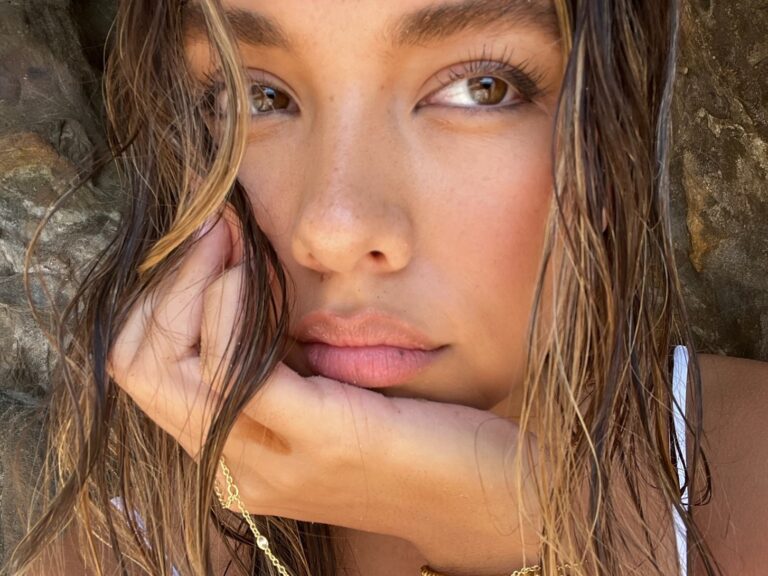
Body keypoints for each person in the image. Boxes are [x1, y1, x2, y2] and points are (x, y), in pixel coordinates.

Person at [4, 0, 767, 575]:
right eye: (257, 96)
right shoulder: (114, 552)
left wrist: (500, 538)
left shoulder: (751, 478)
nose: (333, 229)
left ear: (613, 132)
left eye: (482, 87)